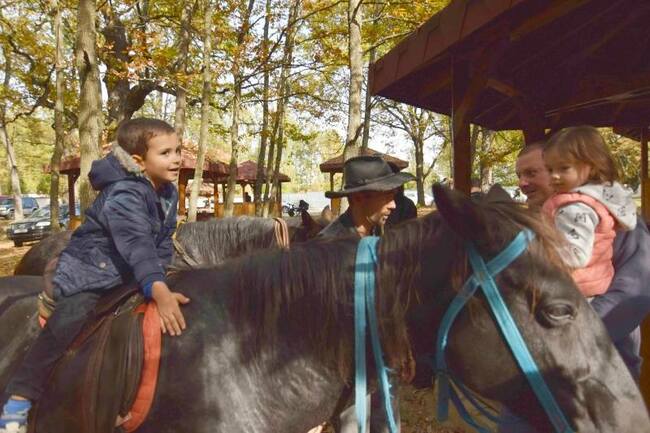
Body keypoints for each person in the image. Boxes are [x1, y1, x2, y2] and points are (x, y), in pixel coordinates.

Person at [0, 118, 189, 430]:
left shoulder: (167, 193)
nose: (176, 158)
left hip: (130, 275)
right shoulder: (124, 193)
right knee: (72, 318)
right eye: (166, 153)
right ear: (140, 162)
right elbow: (137, 245)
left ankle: (117, 394)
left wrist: (164, 278)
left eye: (178, 150)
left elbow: (162, 243)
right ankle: (19, 397)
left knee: (133, 328)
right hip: (90, 273)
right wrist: (158, 288)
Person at [516, 136, 650, 378]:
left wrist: (569, 334)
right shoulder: (534, 223)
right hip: (540, 367)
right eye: (519, 175)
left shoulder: (617, 224)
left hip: (603, 369)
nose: (522, 183)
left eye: (533, 172)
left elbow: (631, 294)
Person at [319, 155, 415, 433]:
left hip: (384, 364)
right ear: (359, 198)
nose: (394, 205)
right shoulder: (328, 248)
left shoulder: (378, 238)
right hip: (348, 374)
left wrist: (402, 346)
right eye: (387, 197)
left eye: (395, 196)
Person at [541, 126, 636, 297]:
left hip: (572, 289)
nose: (554, 175)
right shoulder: (596, 199)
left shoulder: (574, 209)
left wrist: (534, 252)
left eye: (564, 168)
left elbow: (575, 257)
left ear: (591, 167)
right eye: (550, 169)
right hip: (593, 283)